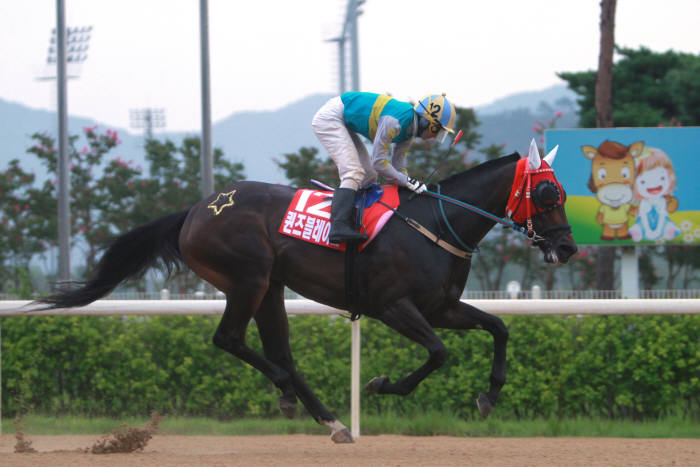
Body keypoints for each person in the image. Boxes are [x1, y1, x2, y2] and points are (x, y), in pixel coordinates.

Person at [312, 92, 456, 243]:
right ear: (429, 124)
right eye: (438, 132)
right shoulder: (394, 122)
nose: (435, 137)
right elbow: (379, 162)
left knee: (369, 175)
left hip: (343, 118)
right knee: (353, 172)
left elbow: (398, 166)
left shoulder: (410, 130)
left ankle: (356, 221)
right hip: (330, 118)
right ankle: (338, 227)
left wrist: (409, 184)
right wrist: (406, 181)